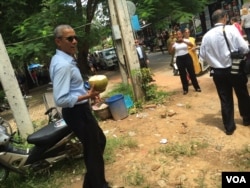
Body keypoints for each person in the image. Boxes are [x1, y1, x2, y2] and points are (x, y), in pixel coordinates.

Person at [49, 24, 109, 188]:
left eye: (75, 38)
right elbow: (61, 99)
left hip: (80, 109)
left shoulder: (64, 59)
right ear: (58, 41)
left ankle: (90, 184)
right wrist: (86, 96)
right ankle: (99, 185)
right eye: (69, 38)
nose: (74, 41)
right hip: (76, 113)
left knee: (99, 143)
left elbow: (73, 87)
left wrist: (88, 93)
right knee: (94, 150)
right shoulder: (63, 65)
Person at [199, 9, 250, 135]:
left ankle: (229, 127)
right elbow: (244, 48)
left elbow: (202, 56)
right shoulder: (231, 29)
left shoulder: (206, 36)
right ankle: (247, 119)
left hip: (218, 72)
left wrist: (215, 60)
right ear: (224, 18)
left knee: (225, 98)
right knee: (242, 94)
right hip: (234, 68)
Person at [170, 30, 201, 95]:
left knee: (191, 72)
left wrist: (183, 41)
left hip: (187, 57)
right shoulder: (174, 43)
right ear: (176, 36)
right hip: (179, 59)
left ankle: (197, 87)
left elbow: (192, 45)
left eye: (180, 34)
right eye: (177, 34)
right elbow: (170, 51)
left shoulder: (186, 40)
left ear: (182, 34)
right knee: (182, 74)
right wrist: (171, 45)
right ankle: (185, 89)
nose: (179, 35)